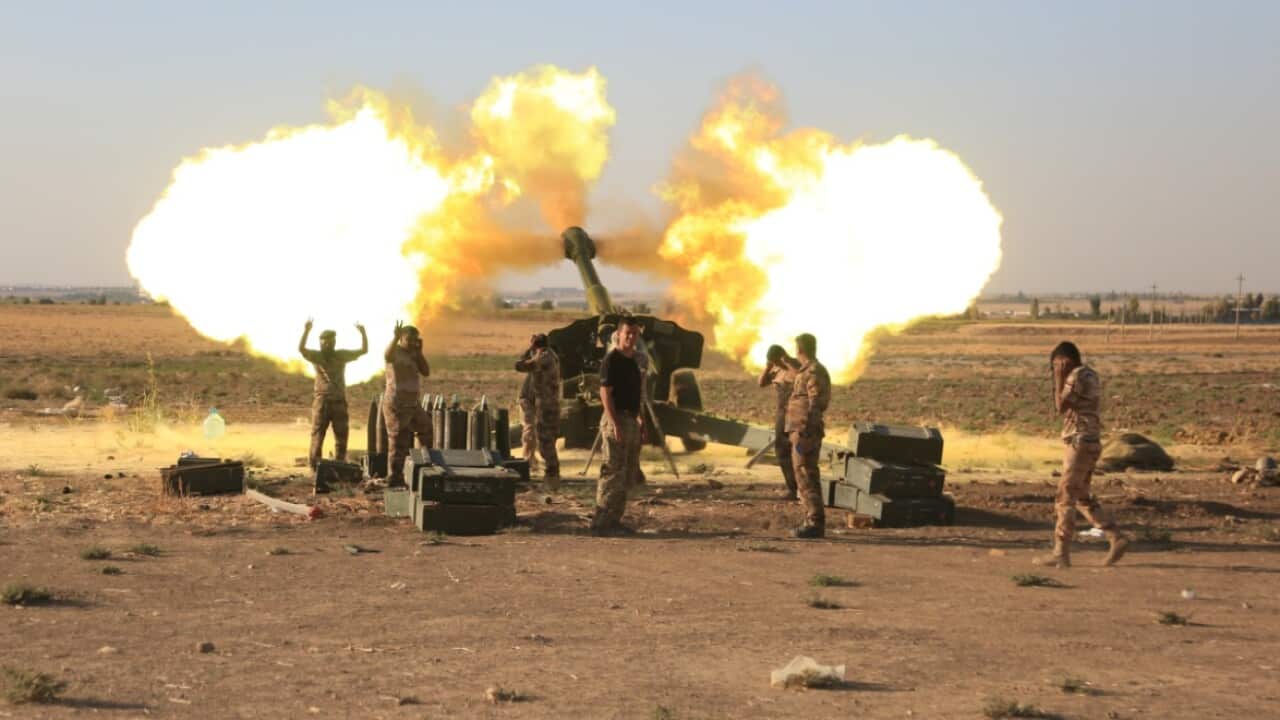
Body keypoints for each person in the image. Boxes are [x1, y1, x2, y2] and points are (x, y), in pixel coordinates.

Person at [1038, 341, 1129, 568]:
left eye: (1056, 365)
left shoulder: (1076, 376)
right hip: (1090, 441)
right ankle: (1115, 536)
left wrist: (1059, 378)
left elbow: (1060, 406)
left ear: (1064, 360)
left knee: (1065, 497)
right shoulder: (1090, 374)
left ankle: (1061, 551)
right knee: (1082, 498)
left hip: (1079, 442)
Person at [592, 316, 645, 535]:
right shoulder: (611, 360)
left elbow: (638, 393)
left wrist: (641, 420)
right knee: (613, 471)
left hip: (631, 420)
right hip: (616, 419)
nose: (631, 338)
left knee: (627, 472)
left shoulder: (636, 361)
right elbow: (605, 393)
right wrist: (614, 423)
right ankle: (601, 521)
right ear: (619, 335)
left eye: (634, 334)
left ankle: (615, 519)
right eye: (627, 334)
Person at [298, 319, 367, 469]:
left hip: (338, 401)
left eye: (331, 341)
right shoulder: (316, 356)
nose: (329, 344)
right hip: (322, 400)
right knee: (318, 435)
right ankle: (315, 467)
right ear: (320, 342)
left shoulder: (341, 355)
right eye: (325, 342)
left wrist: (363, 333)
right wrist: (306, 331)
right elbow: (301, 349)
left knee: (341, 436)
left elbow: (363, 350)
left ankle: (339, 466)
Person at [785, 333, 831, 538]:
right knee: (804, 473)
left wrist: (806, 430)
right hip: (800, 429)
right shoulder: (807, 370)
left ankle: (815, 522)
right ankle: (811, 519)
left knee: (806, 474)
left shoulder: (813, 371)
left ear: (799, 350)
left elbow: (815, 403)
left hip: (805, 431)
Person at [382, 321, 432, 487]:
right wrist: (394, 338)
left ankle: (421, 466)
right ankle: (394, 477)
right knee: (398, 440)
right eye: (408, 339)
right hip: (396, 403)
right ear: (401, 338)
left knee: (426, 428)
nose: (411, 342)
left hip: (412, 403)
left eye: (414, 339)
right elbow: (386, 355)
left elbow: (426, 371)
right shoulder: (395, 351)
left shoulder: (414, 354)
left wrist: (420, 352)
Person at [515, 333, 562, 490]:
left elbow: (520, 366)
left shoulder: (544, 357)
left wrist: (530, 349)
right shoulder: (551, 355)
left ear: (536, 345)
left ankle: (552, 477)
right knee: (548, 441)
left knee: (545, 442)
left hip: (546, 405)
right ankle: (552, 477)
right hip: (550, 403)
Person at [758, 344, 801, 500]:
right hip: (782, 414)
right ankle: (792, 488)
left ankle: (803, 488)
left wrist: (787, 362)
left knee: (799, 451)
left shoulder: (796, 365)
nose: (774, 364)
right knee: (782, 450)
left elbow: (799, 375)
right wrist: (768, 367)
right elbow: (761, 383)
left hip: (796, 413)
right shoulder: (776, 370)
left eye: (775, 360)